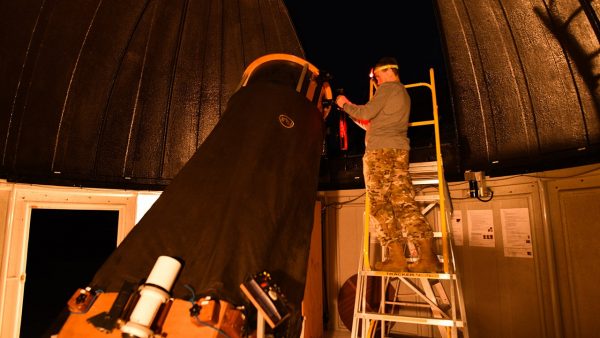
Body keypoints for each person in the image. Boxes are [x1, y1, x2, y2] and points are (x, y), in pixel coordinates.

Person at [335, 57, 439, 273]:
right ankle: (428, 257)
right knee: (404, 201)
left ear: (387, 71)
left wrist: (344, 104)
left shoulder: (387, 89)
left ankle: (396, 257)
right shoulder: (403, 93)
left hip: (379, 153)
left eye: (377, 76)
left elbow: (365, 113)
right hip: (399, 152)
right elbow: (375, 121)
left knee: (379, 205)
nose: (376, 81)